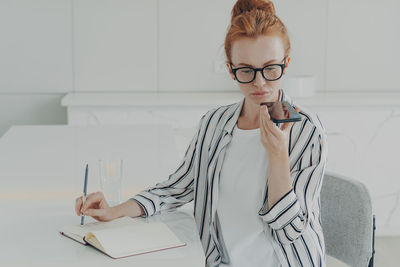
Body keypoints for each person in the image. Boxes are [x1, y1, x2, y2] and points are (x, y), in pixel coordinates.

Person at [75, 0, 328, 266]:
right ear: (231, 70)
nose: (259, 82)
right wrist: (113, 211)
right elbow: (175, 189)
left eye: (270, 68)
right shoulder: (214, 123)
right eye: (246, 70)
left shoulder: (306, 130)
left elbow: (290, 232)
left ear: (286, 64)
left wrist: (278, 155)